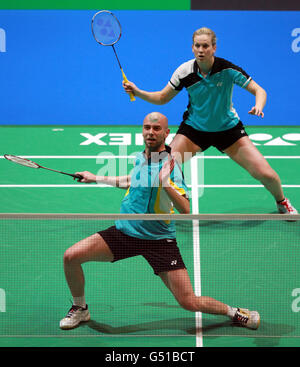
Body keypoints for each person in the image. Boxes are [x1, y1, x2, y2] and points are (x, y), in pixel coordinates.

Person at [60, 112, 260, 330]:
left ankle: (235, 312)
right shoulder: (141, 157)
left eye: (156, 129)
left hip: (158, 241)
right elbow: (131, 180)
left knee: (188, 301)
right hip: (125, 233)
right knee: (71, 256)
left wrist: (165, 184)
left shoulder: (171, 166)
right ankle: (80, 308)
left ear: (166, 133)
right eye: (147, 127)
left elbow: (185, 208)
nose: (150, 132)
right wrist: (96, 178)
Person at [123, 27, 297, 215]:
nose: (201, 50)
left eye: (205, 46)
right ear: (192, 48)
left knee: (266, 174)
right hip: (194, 130)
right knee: (162, 165)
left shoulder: (228, 70)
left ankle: (282, 202)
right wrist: (138, 92)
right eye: (197, 46)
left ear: (214, 48)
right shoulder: (184, 71)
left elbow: (259, 91)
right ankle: (158, 205)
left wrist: (259, 106)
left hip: (228, 130)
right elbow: (163, 98)